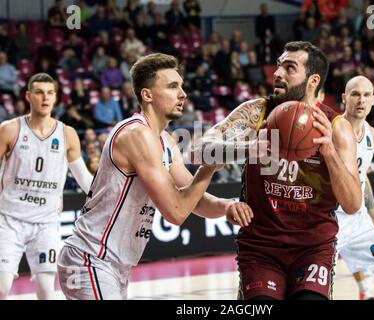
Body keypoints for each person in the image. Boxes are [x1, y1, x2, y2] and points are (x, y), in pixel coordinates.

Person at [57, 53, 253, 300]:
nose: (183, 93)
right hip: (89, 259)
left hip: (113, 265)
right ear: (147, 95)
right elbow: (176, 211)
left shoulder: (166, 141)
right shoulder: (137, 135)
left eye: (181, 86)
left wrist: (228, 206)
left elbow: (194, 197)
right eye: (172, 86)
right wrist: (208, 168)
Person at [193, 41, 361, 300]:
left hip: (313, 248)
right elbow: (196, 151)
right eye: (279, 65)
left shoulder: (336, 127)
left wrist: (328, 153)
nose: (277, 73)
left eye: (289, 67)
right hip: (261, 248)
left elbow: (352, 204)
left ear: (312, 79)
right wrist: (249, 148)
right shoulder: (256, 113)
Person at [0, 73, 93, 299]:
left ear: (56, 97)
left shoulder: (67, 134)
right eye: (40, 92)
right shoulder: (9, 129)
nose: (45, 97)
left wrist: (113, 196)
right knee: (1, 287)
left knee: (46, 290)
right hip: (8, 219)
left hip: (47, 223)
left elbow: (84, 179)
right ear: (28, 96)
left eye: (50, 93)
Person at [335, 76, 374, 300]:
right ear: (344, 98)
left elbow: (362, 178)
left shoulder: (372, 134)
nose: (360, 100)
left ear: (373, 100)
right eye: (355, 94)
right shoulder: (333, 130)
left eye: (366, 95)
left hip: (360, 219)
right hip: (330, 220)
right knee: (313, 288)